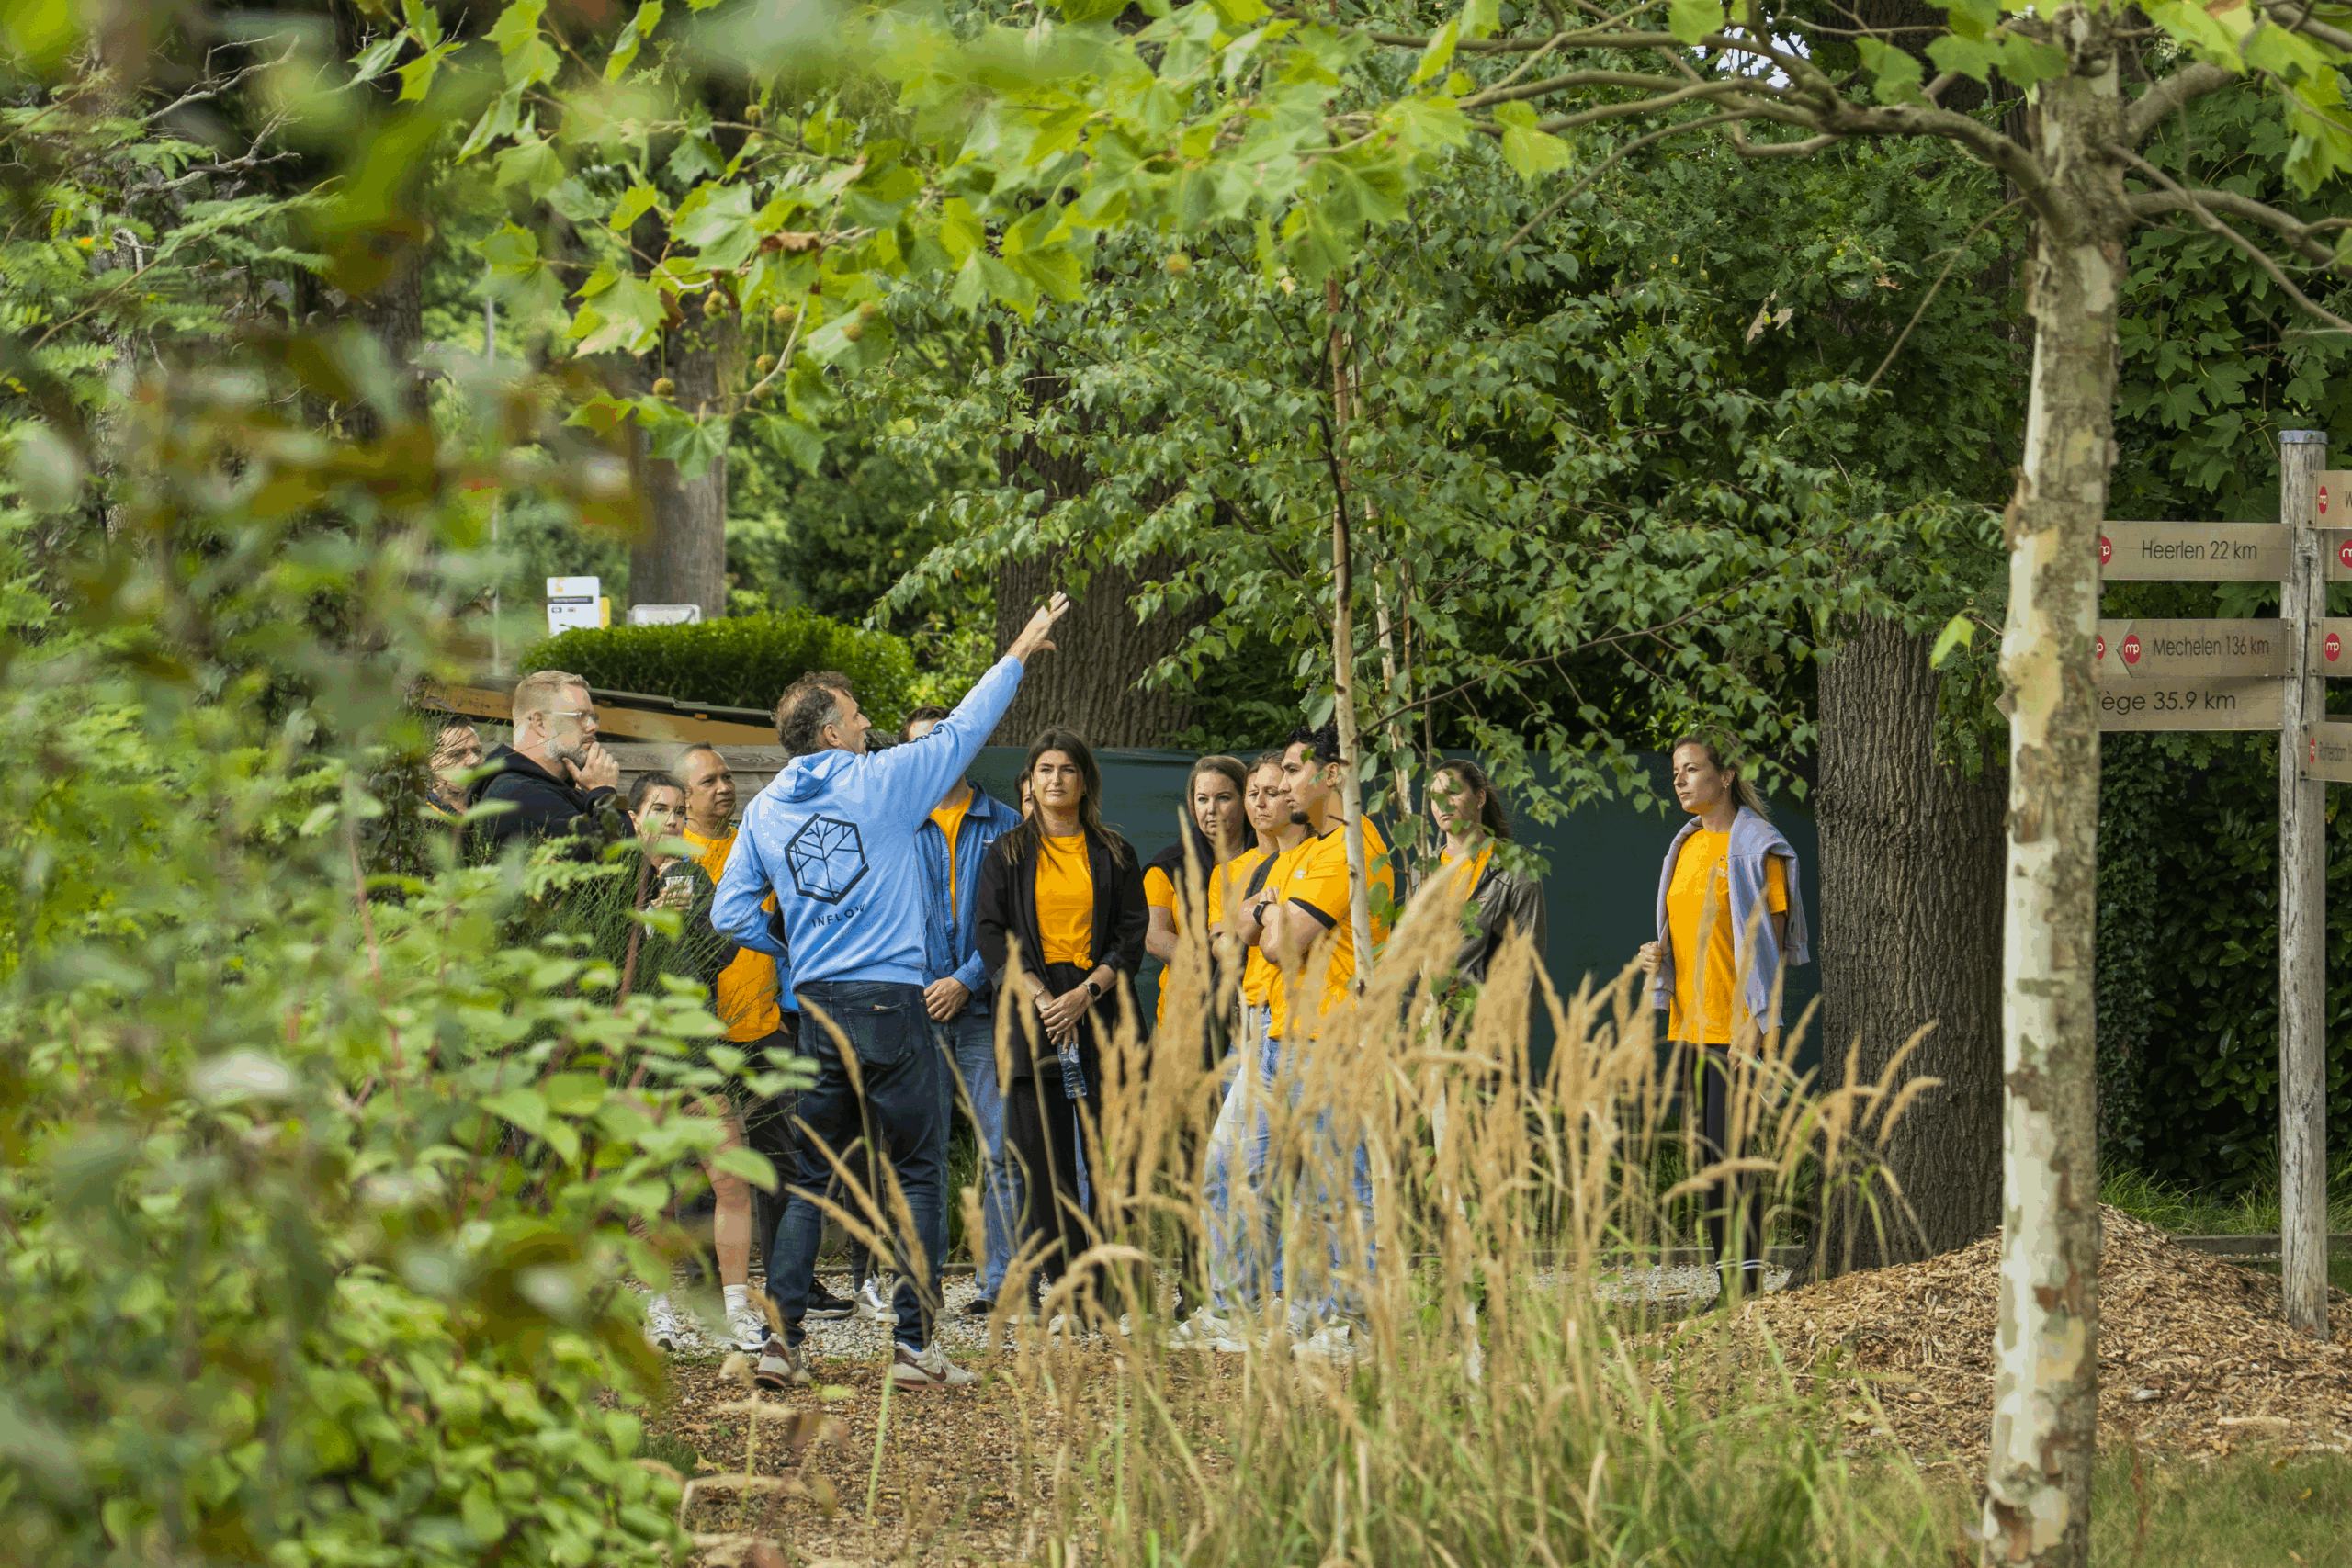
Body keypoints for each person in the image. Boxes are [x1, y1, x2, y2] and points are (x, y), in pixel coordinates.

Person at [714, 592, 1069, 1393]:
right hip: (892, 1003)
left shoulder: (766, 808)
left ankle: (782, 1341)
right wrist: (1016, 649)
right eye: (856, 711)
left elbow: (727, 909)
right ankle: (914, 1349)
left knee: (810, 1176)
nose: (868, 719)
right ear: (831, 729)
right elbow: (965, 730)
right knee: (915, 1170)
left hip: (817, 1010)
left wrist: (792, 947)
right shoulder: (883, 783)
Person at [675, 743, 854, 1327]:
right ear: (682, 798)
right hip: (706, 1037)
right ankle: (707, 1289)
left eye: (727, 777)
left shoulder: (753, 842)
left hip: (766, 1027)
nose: (724, 788)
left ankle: (790, 1287)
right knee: (710, 1171)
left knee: (784, 1162)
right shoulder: (674, 859)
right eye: (709, 782)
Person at [973, 729, 1149, 1322]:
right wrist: (1044, 997)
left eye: (1067, 769)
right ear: (1031, 779)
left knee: (1109, 1153)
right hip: (1031, 1014)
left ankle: (1116, 1284)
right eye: (1045, 769)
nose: (1055, 779)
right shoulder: (1006, 853)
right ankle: (1070, 1285)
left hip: (1100, 1008)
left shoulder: (1114, 852)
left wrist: (1084, 994)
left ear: (1084, 780)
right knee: (1040, 1156)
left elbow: (1131, 936)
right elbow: (992, 935)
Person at [1232, 721, 1394, 1362]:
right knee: (1269, 1178)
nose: (1286, 782)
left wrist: (1270, 913)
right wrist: (1268, 916)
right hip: (1286, 1032)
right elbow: (1245, 928)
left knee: (1342, 1184)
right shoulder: (1308, 848)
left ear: (1334, 773)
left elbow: (1279, 942)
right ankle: (1299, 1306)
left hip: (1334, 1035)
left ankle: (1354, 1320)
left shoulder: (1351, 847)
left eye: (1297, 770)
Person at [1635, 733, 1810, 1302]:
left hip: (1736, 1031)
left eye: (1692, 769)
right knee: (1711, 1158)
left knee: (1734, 1156)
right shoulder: (1681, 848)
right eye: (1676, 772)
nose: (1680, 779)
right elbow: (1684, 936)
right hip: (1690, 1025)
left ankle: (1747, 1284)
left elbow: (1772, 948)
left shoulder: (1756, 846)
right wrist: (1656, 955)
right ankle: (1725, 1280)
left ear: (1726, 775)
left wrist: (1756, 1026)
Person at [1170, 750, 1307, 1352]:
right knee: (1232, 1169)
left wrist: (1255, 922)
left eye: (1268, 790)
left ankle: (1276, 1300)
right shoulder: (1233, 871)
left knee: (1289, 1174)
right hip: (1248, 1027)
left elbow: (1276, 940)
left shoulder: (1310, 859)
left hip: (1305, 1026)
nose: (1256, 802)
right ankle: (1235, 1303)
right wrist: (1256, 918)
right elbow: (1228, 946)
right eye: (1251, 791)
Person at [900, 705, 1024, 1318]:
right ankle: (918, 1283)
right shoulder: (897, 822)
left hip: (985, 1008)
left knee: (999, 1146)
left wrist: (966, 980)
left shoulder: (1006, 826)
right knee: (918, 1149)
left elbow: (1014, 922)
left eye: (940, 742)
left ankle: (998, 1282)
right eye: (918, 746)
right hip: (916, 1008)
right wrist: (927, 984)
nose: (931, 755)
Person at [1142, 755, 1259, 1315]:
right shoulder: (1169, 865)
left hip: (1257, 1024)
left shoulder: (1270, 861)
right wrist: (1211, 959)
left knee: (1248, 1161)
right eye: (1202, 800)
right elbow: (1156, 936)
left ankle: (1245, 1288)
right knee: (1195, 1162)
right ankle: (1194, 1289)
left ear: (1244, 800)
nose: (1212, 811)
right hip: (1189, 1025)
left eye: (1224, 798)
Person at [466, 670, 626, 855]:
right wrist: (604, 795)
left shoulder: (548, 790)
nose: (592, 726)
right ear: (540, 723)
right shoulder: (522, 797)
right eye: (579, 716)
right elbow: (612, 869)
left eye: (593, 717)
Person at [1428, 759, 1547, 993]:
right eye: (1434, 796)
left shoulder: (1515, 868)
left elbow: (1526, 967)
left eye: (1452, 792)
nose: (1442, 803)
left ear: (1480, 798)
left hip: (1483, 1021)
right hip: (1423, 1023)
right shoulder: (1422, 870)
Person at [427, 722, 481, 817]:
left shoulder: (493, 807)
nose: (474, 760)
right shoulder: (418, 819)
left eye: (477, 751)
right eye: (457, 754)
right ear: (431, 761)